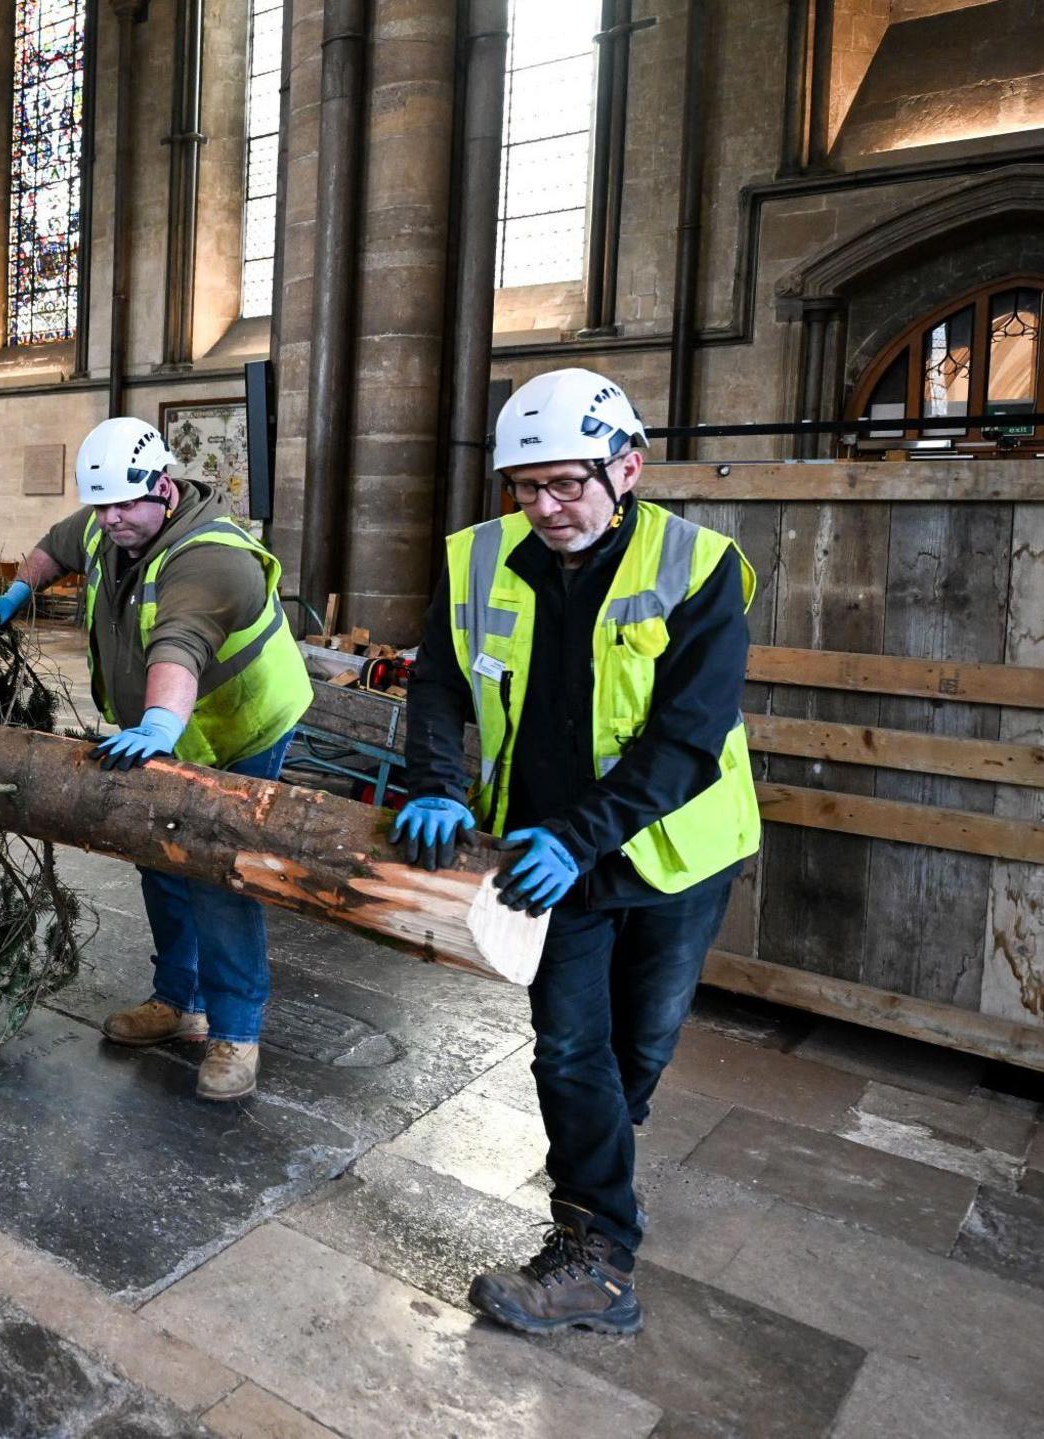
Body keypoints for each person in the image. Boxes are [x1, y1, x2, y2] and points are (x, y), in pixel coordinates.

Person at [391, 368, 756, 1337]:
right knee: (568, 1046)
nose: (544, 507)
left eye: (565, 484)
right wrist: (432, 778)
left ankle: (600, 1150)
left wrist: (583, 832)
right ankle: (595, 1252)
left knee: (637, 1045)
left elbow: (686, 736)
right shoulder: (477, 559)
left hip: (673, 848)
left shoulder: (697, 564)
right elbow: (435, 681)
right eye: (524, 487)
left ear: (625, 468)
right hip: (546, 855)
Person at [0, 416, 312, 1101]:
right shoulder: (109, 520)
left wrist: (159, 719)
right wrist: (21, 588)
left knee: (219, 866)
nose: (110, 519)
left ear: (163, 487)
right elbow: (56, 545)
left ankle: (236, 1031)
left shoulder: (210, 555)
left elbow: (179, 643)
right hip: (167, 728)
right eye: (101, 505)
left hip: (238, 730)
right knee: (158, 854)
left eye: (125, 504)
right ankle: (178, 1001)